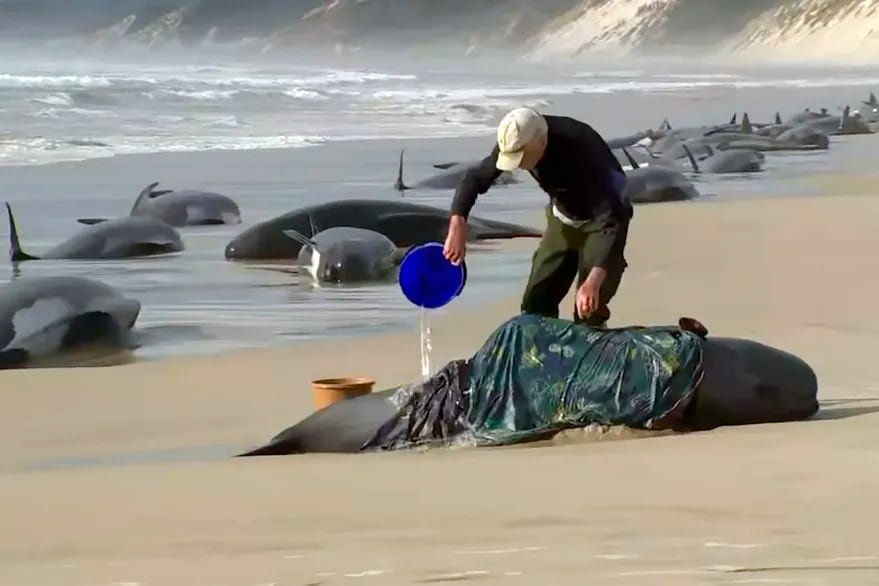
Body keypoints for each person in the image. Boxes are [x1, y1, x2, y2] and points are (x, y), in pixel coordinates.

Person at [442, 107, 633, 327]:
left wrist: (594, 280)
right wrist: (457, 223)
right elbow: (475, 178)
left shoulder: (581, 150)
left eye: (521, 158)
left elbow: (612, 218)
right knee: (535, 304)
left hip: (605, 222)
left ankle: (592, 348)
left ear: (541, 142)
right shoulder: (518, 137)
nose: (518, 165)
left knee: (588, 309)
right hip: (563, 216)